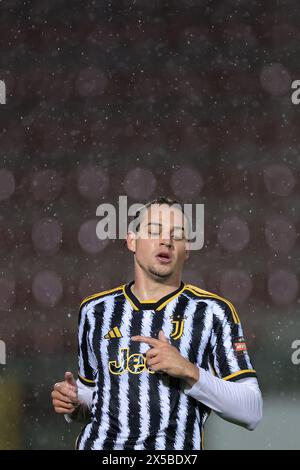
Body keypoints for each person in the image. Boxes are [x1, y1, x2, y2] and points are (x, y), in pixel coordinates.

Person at [51, 196, 263, 450]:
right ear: (132, 241)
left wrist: (189, 371)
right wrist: (74, 404)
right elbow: (93, 397)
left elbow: (251, 411)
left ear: (188, 249)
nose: (167, 241)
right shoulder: (95, 311)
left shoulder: (212, 312)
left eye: (178, 234)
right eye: (154, 231)